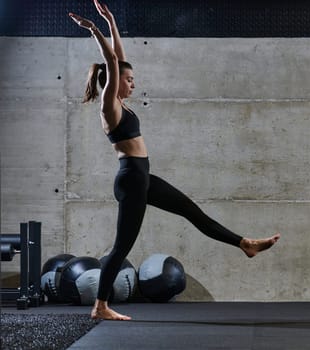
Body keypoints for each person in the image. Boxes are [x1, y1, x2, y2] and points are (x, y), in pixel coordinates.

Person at [69, 0, 280, 321]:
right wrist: (95, 29)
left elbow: (120, 58)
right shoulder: (108, 106)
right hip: (131, 181)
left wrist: (111, 20)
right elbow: (112, 61)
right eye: (129, 80)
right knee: (120, 248)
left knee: (192, 212)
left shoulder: (122, 104)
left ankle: (245, 243)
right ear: (114, 82)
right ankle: (100, 306)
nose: (133, 83)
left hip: (142, 178)